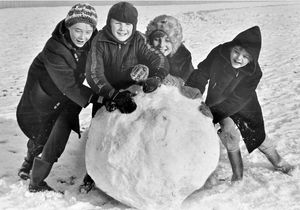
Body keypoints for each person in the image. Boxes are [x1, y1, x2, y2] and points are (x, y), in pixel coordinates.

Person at [79, 1, 169, 193]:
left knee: (133, 130)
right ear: (109, 22)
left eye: (128, 24)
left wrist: (156, 77)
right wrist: (112, 94)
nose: (123, 28)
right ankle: (92, 172)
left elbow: (158, 58)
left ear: (134, 26)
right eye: (118, 23)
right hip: (107, 91)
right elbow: (94, 74)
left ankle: (133, 168)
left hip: (132, 90)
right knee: (100, 131)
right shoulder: (99, 41)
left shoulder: (138, 39)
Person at [185, 26, 294, 182]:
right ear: (231, 47)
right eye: (236, 51)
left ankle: (279, 162)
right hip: (219, 100)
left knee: (257, 137)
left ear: (252, 58)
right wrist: (194, 89)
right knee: (229, 136)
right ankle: (238, 176)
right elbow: (202, 71)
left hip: (243, 105)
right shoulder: (219, 52)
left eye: (245, 56)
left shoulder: (254, 73)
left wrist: (213, 111)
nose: (238, 58)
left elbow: (237, 99)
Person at [16, 3, 99, 192]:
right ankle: (29, 168)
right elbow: (68, 85)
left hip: (67, 95)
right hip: (43, 91)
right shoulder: (54, 46)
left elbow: (111, 44)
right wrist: (99, 98)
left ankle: (35, 180)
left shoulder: (93, 40)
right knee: (41, 131)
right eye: (77, 30)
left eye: (88, 31)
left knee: (57, 136)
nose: (82, 36)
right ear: (68, 26)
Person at [145, 14, 201, 99]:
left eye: (167, 40)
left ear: (174, 42)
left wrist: (171, 80)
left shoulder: (183, 56)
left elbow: (189, 82)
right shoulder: (144, 52)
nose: (161, 45)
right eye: (157, 39)